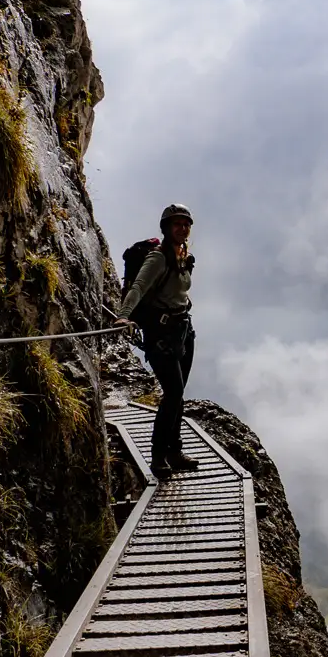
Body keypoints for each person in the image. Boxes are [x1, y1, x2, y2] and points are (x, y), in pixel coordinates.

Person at [116, 203, 200, 477]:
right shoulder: (158, 257)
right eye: (177, 224)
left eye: (186, 224)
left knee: (178, 394)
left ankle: (174, 452)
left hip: (182, 331)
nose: (182, 228)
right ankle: (158, 457)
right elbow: (139, 287)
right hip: (161, 335)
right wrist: (124, 316)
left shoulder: (183, 256)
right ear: (166, 228)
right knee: (173, 393)